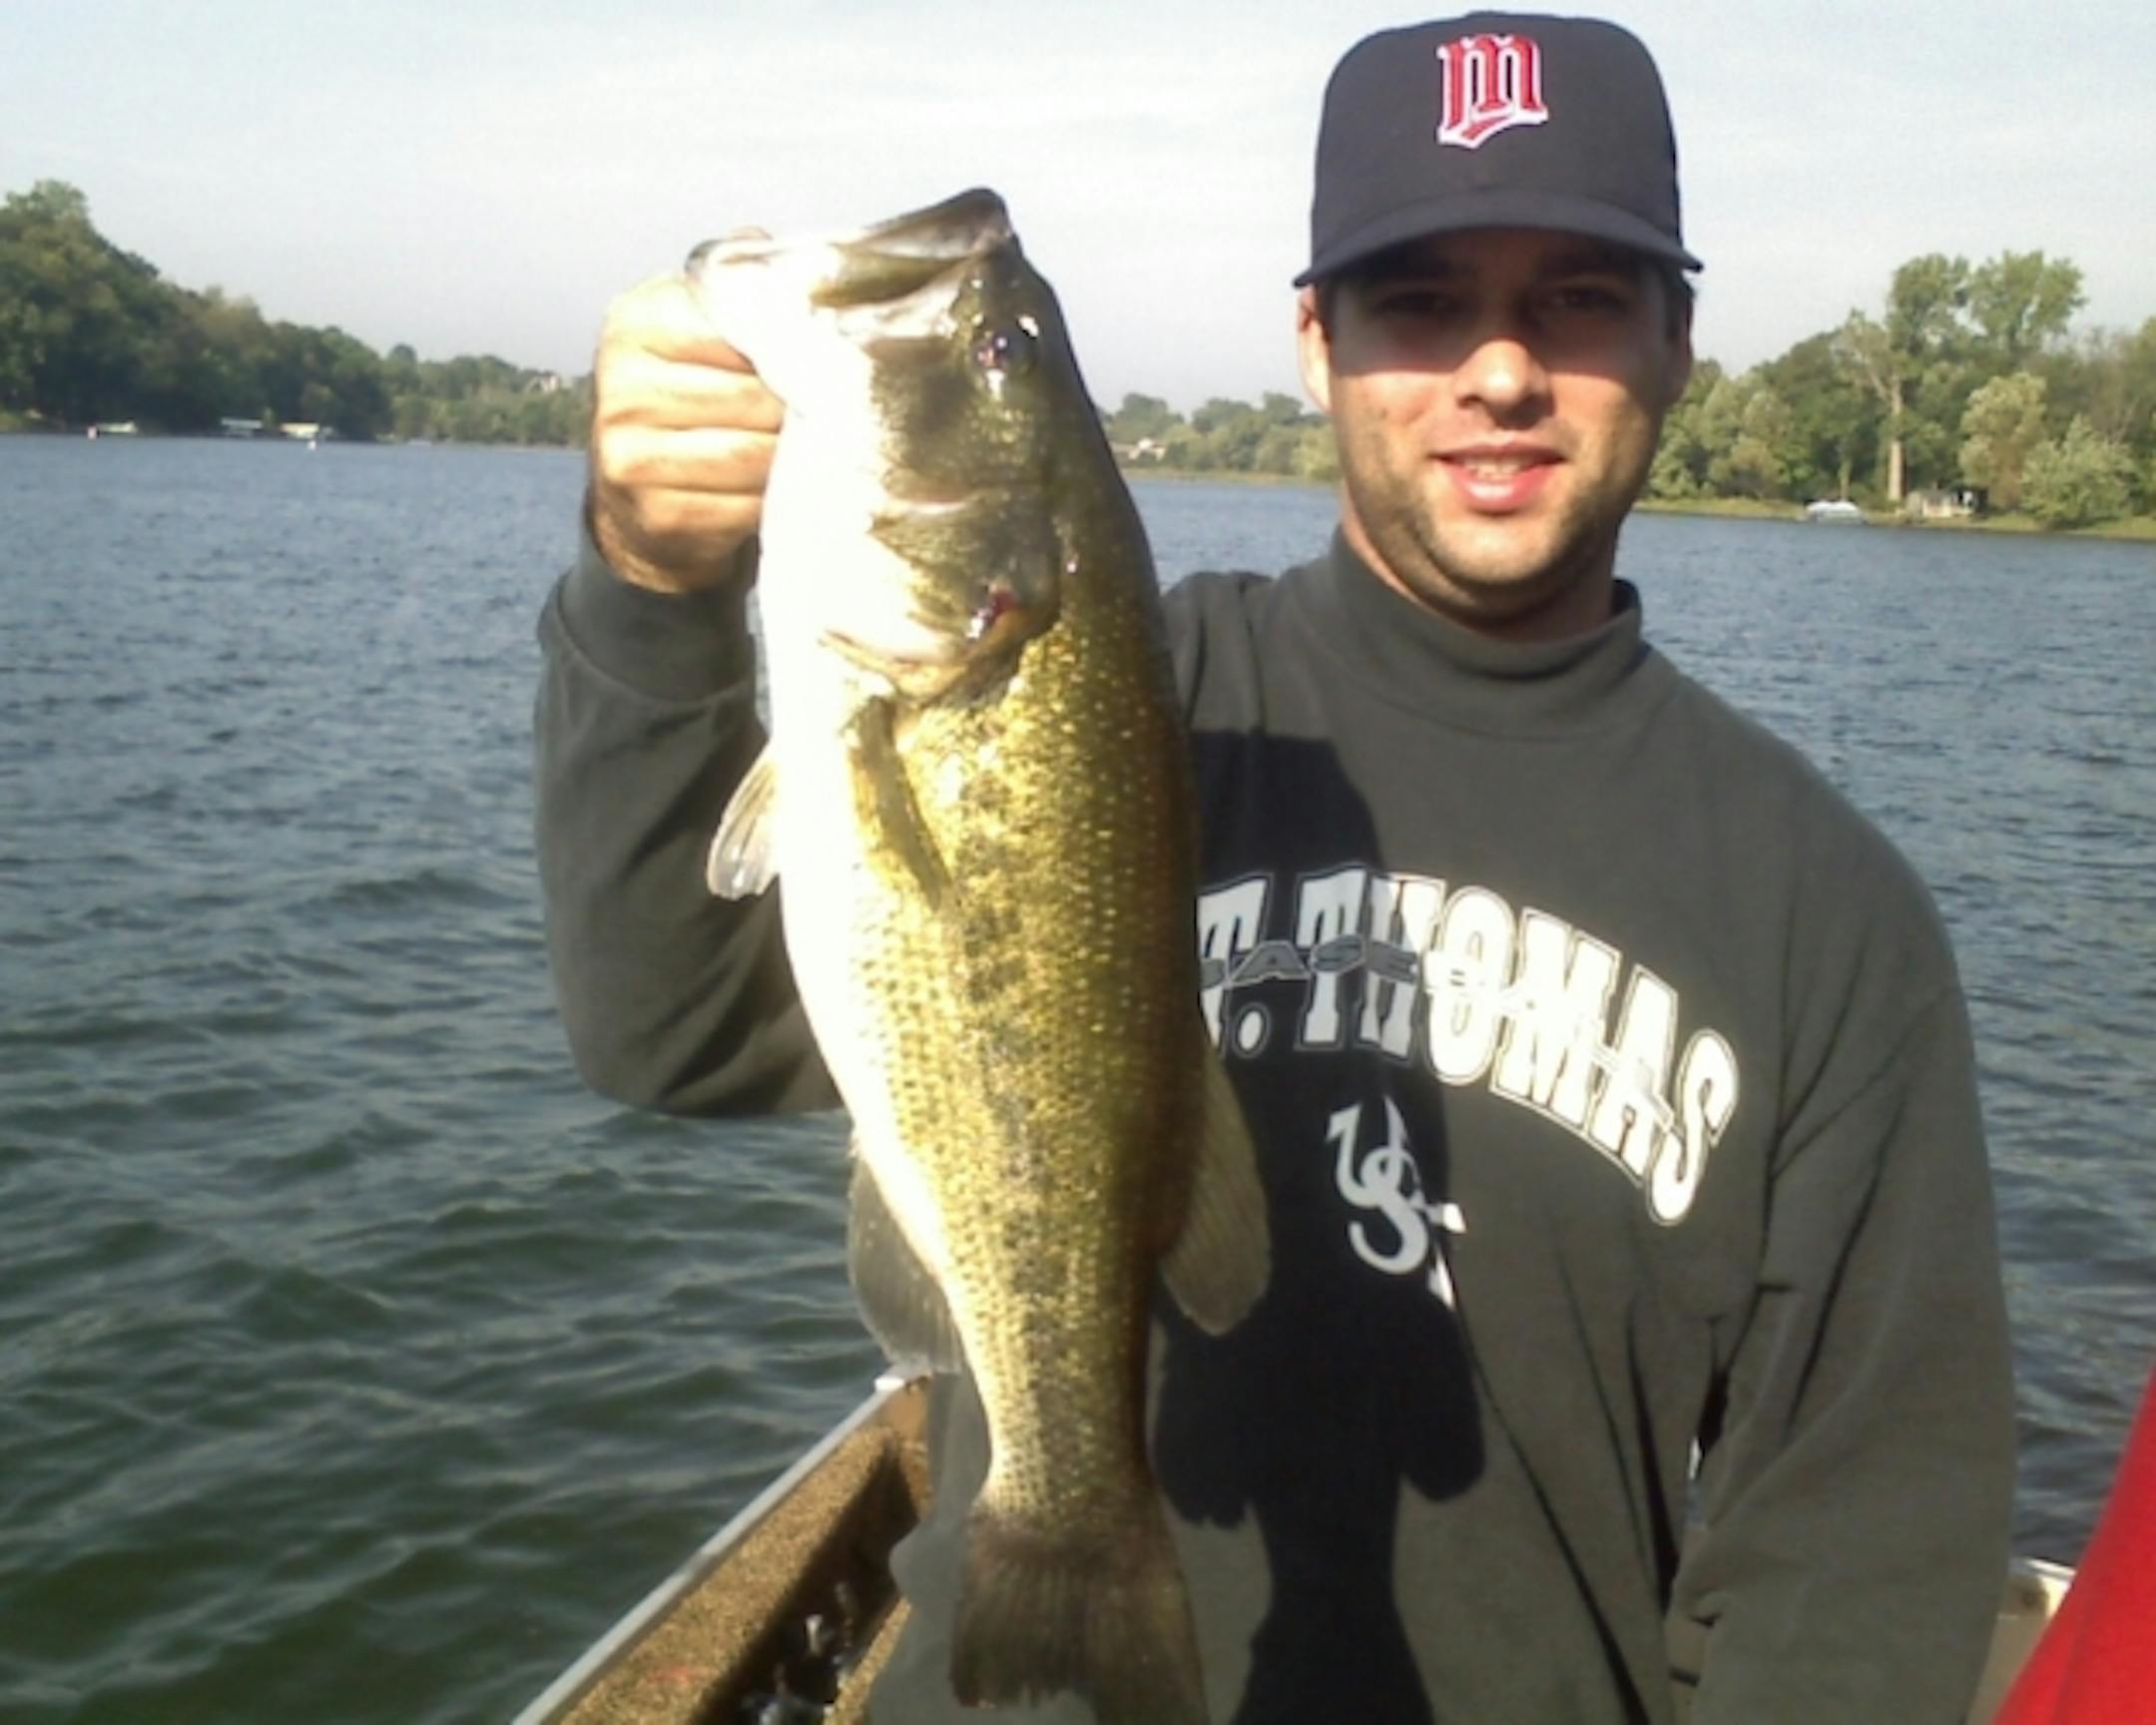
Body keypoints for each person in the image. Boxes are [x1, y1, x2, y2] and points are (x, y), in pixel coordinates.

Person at [535, 14, 2016, 1722]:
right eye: (1423, 299)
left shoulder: (1826, 917)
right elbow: (671, 1032)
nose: (1503, 371)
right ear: (1314, 340)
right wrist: (649, 594)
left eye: (1581, 298)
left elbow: (1855, 1548)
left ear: (1680, 342)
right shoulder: (1136, 720)